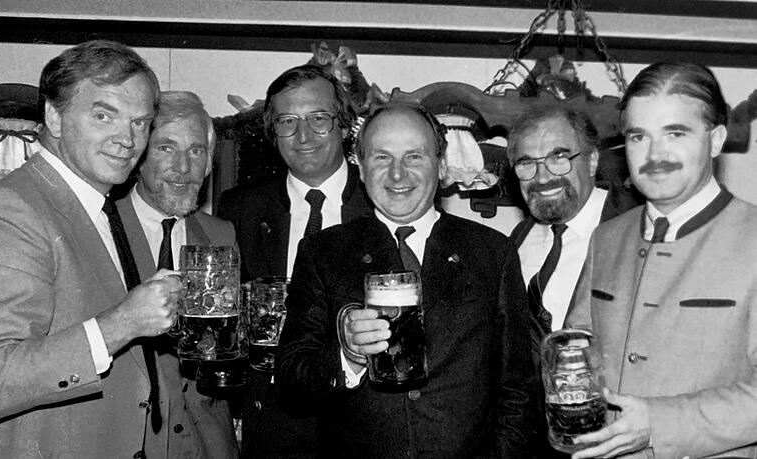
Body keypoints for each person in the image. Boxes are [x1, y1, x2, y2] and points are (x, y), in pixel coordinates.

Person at [0, 40, 183, 458]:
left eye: (140, 123)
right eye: (104, 115)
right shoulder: (9, 211)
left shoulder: (101, 208)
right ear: (53, 116)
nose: (127, 139)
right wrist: (122, 323)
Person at [276, 102, 537, 457]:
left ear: (442, 166)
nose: (398, 175)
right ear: (363, 170)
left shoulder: (492, 253)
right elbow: (292, 382)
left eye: (414, 157)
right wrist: (348, 357)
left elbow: (517, 390)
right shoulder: (322, 253)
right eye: (382, 157)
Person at [566, 62, 757, 458]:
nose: (654, 155)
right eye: (638, 136)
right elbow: (575, 352)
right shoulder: (608, 238)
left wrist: (661, 423)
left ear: (716, 139)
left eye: (676, 133)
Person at [216, 64, 371, 457]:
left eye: (319, 119)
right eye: (287, 121)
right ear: (272, 133)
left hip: (364, 422)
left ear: (344, 124)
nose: (303, 136)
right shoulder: (241, 209)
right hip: (273, 425)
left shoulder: (379, 203)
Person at [116, 90, 239, 457]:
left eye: (197, 151)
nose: (184, 167)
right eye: (166, 148)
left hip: (206, 444)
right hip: (124, 441)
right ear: (138, 156)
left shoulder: (222, 234)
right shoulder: (100, 225)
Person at [507, 104, 639, 338]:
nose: (543, 177)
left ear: (592, 161)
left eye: (558, 157)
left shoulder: (638, 224)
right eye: (527, 163)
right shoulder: (518, 240)